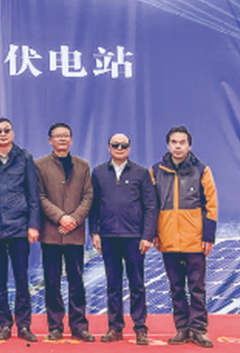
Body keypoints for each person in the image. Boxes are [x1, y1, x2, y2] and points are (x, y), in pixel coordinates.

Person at [151, 126, 217, 348]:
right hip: (168, 240)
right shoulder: (156, 171)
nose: (178, 146)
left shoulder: (202, 170)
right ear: (168, 145)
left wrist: (208, 236)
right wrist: (154, 233)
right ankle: (182, 328)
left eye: (182, 142)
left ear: (189, 145)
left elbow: (211, 204)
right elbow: (151, 206)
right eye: (174, 142)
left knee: (197, 288)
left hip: (194, 240)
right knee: (176, 287)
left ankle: (198, 330)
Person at [90, 133, 157, 345]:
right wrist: (95, 232)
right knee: (113, 285)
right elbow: (93, 205)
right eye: (116, 145)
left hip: (134, 238)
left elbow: (151, 206)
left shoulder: (141, 173)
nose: (119, 148)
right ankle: (115, 328)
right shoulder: (98, 172)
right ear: (109, 147)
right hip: (108, 237)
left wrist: (147, 235)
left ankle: (140, 328)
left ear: (129, 148)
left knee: (137, 284)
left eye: (124, 145)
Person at [0, 117, 39, 343]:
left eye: (6, 130)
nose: (3, 134)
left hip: (20, 227)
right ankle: (4, 324)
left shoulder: (25, 158)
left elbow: (33, 194)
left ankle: (24, 325)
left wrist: (33, 225)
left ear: (12, 133)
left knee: (22, 279)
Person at [35, 122, 94, 342]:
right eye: (57, 136)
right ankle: (55, 326)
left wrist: (74, 219)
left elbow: (88, 196)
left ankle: (79, 326)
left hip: (75, 234)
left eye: (66, 135)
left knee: (76, 281)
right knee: (52, 282)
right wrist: (61, 217)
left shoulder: (82, 166)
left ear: (71, 139)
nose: (62, 139)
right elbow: (39, 197)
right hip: (51, 233)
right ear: (50, 140)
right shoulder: (40, 166)